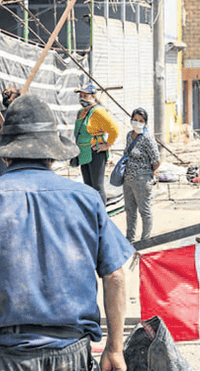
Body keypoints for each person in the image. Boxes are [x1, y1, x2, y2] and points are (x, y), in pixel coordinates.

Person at [0, 95, 134, 371]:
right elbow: (116, 275)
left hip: (8, 354)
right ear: (52, 153)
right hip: (71, 354)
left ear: (5, 154)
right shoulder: (85, 198)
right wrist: (114, 349)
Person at [74, 82, 120, 204]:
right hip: (83, 152)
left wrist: (108, 144)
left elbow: (114, 129)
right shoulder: (81, 112)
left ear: (93, 96)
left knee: (97, 187)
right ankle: (92, 214)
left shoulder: (99, 112)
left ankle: (101, 217)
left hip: (96, 152)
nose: (82, 98)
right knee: (88, 186)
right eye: (81, 95)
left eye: (86, 95)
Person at [123, 107, 161, 242]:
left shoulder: (148, 138)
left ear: (145, 123)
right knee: (129, 210)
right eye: (135, 120)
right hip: (128, 178)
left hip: (142, 179)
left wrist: (146, 171)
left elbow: (156, 160)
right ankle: (130, 239)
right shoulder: (129, 135)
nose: (137, 123)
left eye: (141, 121)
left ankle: (145, 241)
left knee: (144, 211)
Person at [0, 87, 21, 175]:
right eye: (5, 92)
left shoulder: (20, 115)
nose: (5, 94)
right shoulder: (3, 113)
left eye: (9, 92)